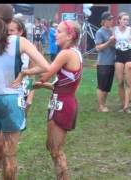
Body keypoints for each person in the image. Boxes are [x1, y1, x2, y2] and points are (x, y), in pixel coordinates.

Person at [0, 4, 50, 179]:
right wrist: (24, 73)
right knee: (10, 154)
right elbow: (45, 66)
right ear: (10, 20)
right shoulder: (20, 41)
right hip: (12, 99)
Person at [15, 20, 83, 180]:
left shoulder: (65, 54)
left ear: (70, 35)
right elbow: (67, 86)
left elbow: (45, 73)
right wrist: (43, 86)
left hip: (62, 104)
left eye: (59, 31)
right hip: (64, 101)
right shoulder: (76, 53)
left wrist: (25, 72)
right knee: (51, 147)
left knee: (56, 150)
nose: (55, 34)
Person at [8, 17, 36, 116]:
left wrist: (29, 97)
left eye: (11, 30)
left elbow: (32, 76)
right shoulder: (2, 48)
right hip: (4, 93)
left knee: (17, 127)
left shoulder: (29, 50)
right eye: (7, 30)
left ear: (20, 32)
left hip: (22, 93)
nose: (8, 33)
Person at [94, 11, 116, 112]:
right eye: (109, 19)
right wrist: (109, 41)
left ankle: (104, 104)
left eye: (112, 19)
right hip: (103, 63)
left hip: (112, 62)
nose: (111, 21)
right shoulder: (100, 32)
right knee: (102, 85)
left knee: (107, 86)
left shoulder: (112, 31)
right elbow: (98, 48)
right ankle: (101, 106)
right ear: (103, 21)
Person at [113, 12, 131, 113]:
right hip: (119, 55)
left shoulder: (130, 30)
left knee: (128, 83)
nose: (126, 21)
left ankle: (126, 106)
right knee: (120, 82)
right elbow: (112, 42)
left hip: (128, 54)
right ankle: (123, 103)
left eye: (127, 20)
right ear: (119, 20)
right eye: (124, 19)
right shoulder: (115, 30)